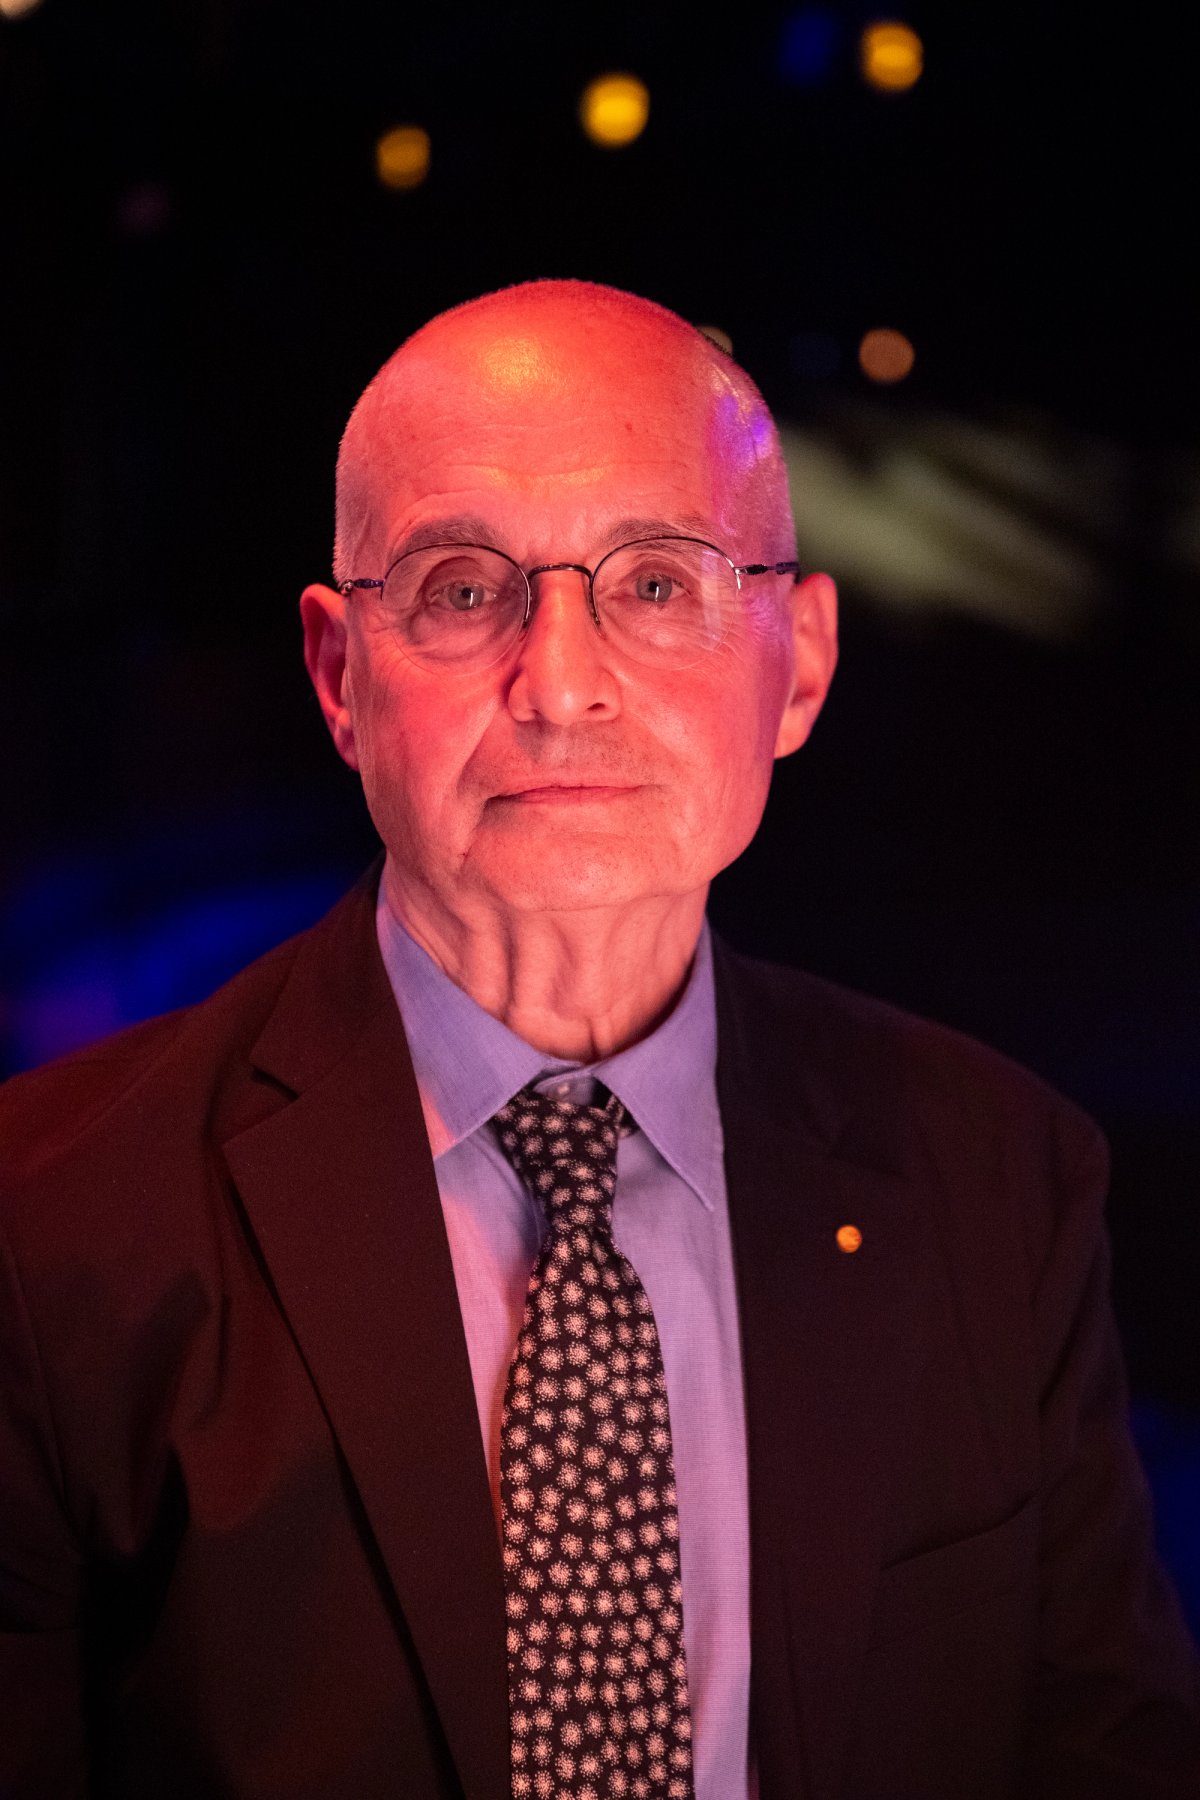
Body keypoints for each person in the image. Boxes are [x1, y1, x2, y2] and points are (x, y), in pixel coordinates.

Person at [1, 280, 1196, 1800]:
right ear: (338, 677)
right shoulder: (46, 1229)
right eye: (459, 587)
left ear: (802, 664)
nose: (561, 684)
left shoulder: (1002, 1180)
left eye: (653, 584)